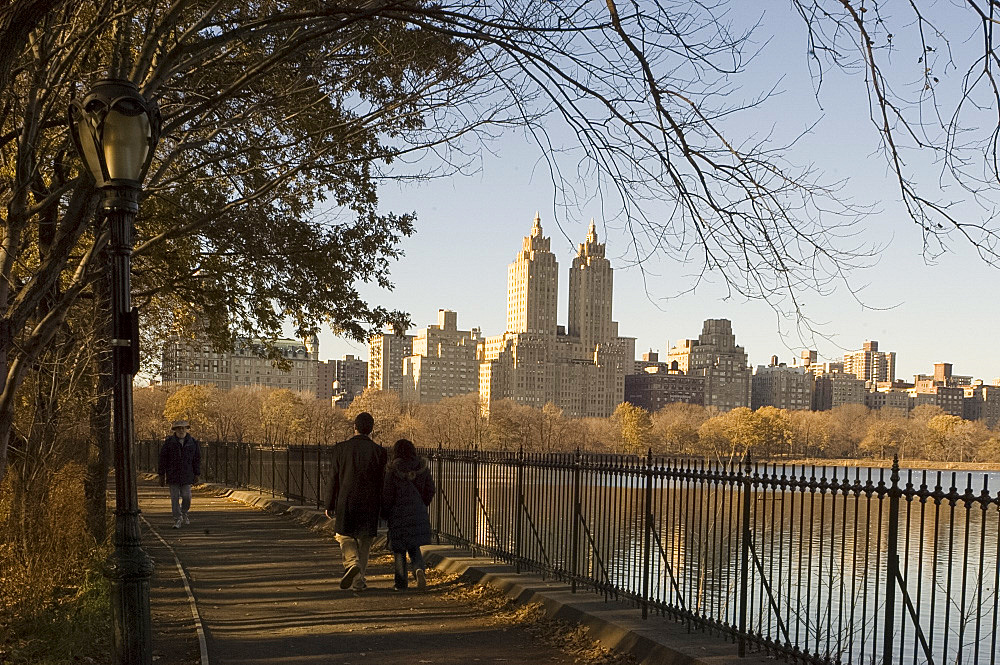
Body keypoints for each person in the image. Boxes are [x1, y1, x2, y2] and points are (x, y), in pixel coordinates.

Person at [325, 412, 387, 592]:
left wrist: (329, 503)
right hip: (370, 502)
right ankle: (359, 582)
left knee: (344, 536)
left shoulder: (340, 449)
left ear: (355, 427)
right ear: (371, 429)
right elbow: (382, 482)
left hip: (346, 500)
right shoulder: (379, 452)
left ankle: (352, 563)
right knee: (365, 542)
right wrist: (383, 507)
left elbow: (333, 478)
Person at [381, 438, 435, 591]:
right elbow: (430, 488)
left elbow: (387, 493)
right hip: (417, 510)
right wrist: (422, 503)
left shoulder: (393, 469)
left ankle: (401, 583)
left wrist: (385, 512)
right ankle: (419, 569)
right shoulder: (422, 467)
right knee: (414, 546)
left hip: (398, 512)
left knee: (399, 548)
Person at [158, 420, 201, 529]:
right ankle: (177, 519)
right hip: (173, 474)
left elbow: (196, 459)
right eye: (179, 428)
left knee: (187, 496)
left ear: (186, 429)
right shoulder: (169, 443)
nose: (181, 430)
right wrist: (161, 474)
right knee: (175, 497)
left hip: (187, 474)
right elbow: (162, 459)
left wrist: (197, 474)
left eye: (183, 428)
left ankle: (184, 512)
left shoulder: (192, 442)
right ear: (175, 430)